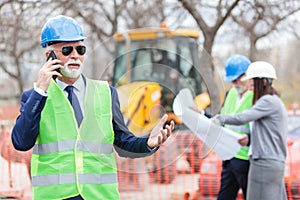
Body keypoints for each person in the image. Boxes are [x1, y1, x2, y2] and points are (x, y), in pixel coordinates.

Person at [11, 15, 174, 200]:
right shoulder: (35, 97)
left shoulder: (106, 93)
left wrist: (147, 143)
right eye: (67, 50)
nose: (75, 56)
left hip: (100, 196)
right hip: (56, 196)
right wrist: (40, 90)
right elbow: (21, 142)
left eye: (80, 49)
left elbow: (122, 142)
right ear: (49, 56)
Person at [213, 61, 287, 200]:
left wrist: (219, 118)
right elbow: (266, 132)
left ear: (263, 81)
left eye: (253, 83)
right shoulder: (273, 101)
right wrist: (249, 139)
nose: (250, 87)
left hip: (264, 163)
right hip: (270, 161)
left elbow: (242, 118)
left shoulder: (267, 101)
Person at [217, 54, 253, 200]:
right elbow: (221, 118)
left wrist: (250, 139)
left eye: (238, 78)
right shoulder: (230, 94)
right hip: (229, 157)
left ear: (248, 76)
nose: (235, 83)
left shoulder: (257, 97)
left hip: (246, 160)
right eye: (232, 80)